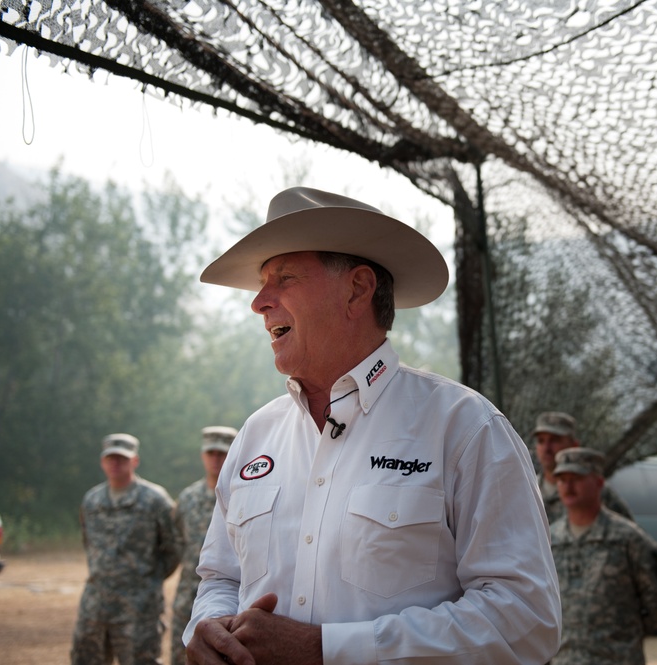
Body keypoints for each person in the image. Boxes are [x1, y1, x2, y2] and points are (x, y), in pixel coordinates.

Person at [184, 187, 561, 665]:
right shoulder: (256, 436)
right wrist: (208, 629)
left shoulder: (466, 428)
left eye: (284, 278)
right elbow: (221, 579)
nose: (260, 301)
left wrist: (325, 651)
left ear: (358, 290)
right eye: (263, 283)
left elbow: (526, 621)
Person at [550, 447, 657, 665]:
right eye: (562, 479)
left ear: (598, 482)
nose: (567, 486)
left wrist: (624, 633)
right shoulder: (550, 540)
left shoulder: (628, 539)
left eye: (576, 478)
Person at [71, 433, 181, 665]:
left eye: (121, 459)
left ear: (134, 461)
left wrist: (148, 579)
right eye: (110, 458)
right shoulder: (92, 501)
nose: (115, 464)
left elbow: (174, 547)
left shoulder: (154, 500)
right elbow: (88, 543)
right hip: (95, 606)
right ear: (102, 462)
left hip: (139, 608)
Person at [170, 426, 238, 665]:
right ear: (202, 455)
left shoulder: (244, 496)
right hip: (187, 599)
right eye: (211, 453)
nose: (216, 459)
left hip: (230, 605)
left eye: (222, 453)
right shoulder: (187, 498)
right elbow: (175, 544)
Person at [531, 411, 634, 522]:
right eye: (541, 441)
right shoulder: (528, 490)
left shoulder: (594, 492)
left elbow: (625, 531)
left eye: (555, 440)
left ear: (574, 445)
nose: (547, 448)